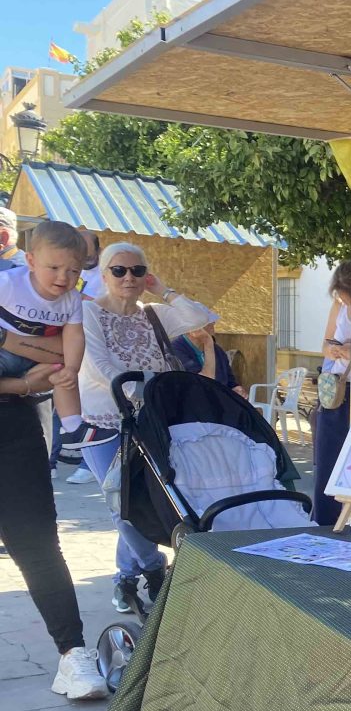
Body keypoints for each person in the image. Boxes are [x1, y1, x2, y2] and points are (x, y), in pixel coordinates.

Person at [78, 242, 214, 612]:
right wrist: (141, 391)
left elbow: (200, 317)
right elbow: (100, 365)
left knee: (143, 499)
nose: (129, 277)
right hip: (107, 423)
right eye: (119, 270)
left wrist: (163, 289)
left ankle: (125, 579)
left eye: (137, 270)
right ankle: (154, 568)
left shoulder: (154, 315)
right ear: (104, 274)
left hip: (152, 421)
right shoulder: (89, 312)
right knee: (121, 502)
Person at [0, 358, 107, 699]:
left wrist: (29, 382)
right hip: (17, 404)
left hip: (13, 425)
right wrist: (20, 383)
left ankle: (73, 654)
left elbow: (54, 363)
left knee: (38, 548)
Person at [0, 220, 110, 451]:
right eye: (54, 268)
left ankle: (74, 428)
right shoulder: (9, 283)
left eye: (73, 271)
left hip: (39, 362)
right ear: (31, 261)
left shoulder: (71, 299)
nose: (63, 277)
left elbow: (74, 335)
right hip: (4, 354)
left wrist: (72, 368)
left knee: (64, 374)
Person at [310, 262, 351, 526]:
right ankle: (324, 522)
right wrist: (335, 349)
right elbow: (325, 344)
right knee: (327, 461)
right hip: (334, 389)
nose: (343, 300)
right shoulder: (339, 305)